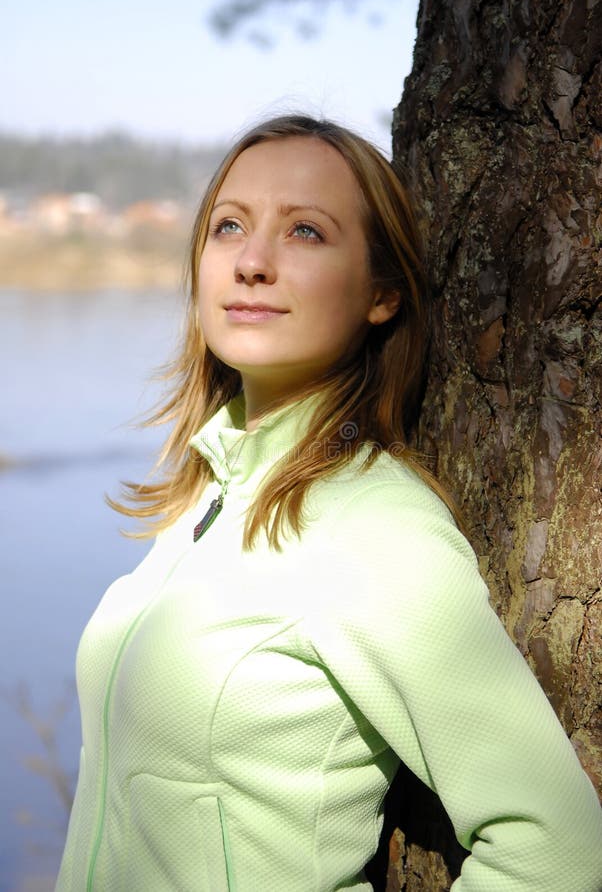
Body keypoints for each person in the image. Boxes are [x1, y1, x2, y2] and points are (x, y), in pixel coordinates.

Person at [56, 114, 602, 892]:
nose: (251, 261)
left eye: (306, 232)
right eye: (229, 226)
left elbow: (556, 847)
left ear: (381, 293)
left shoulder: (376, 529)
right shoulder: (208, 495)